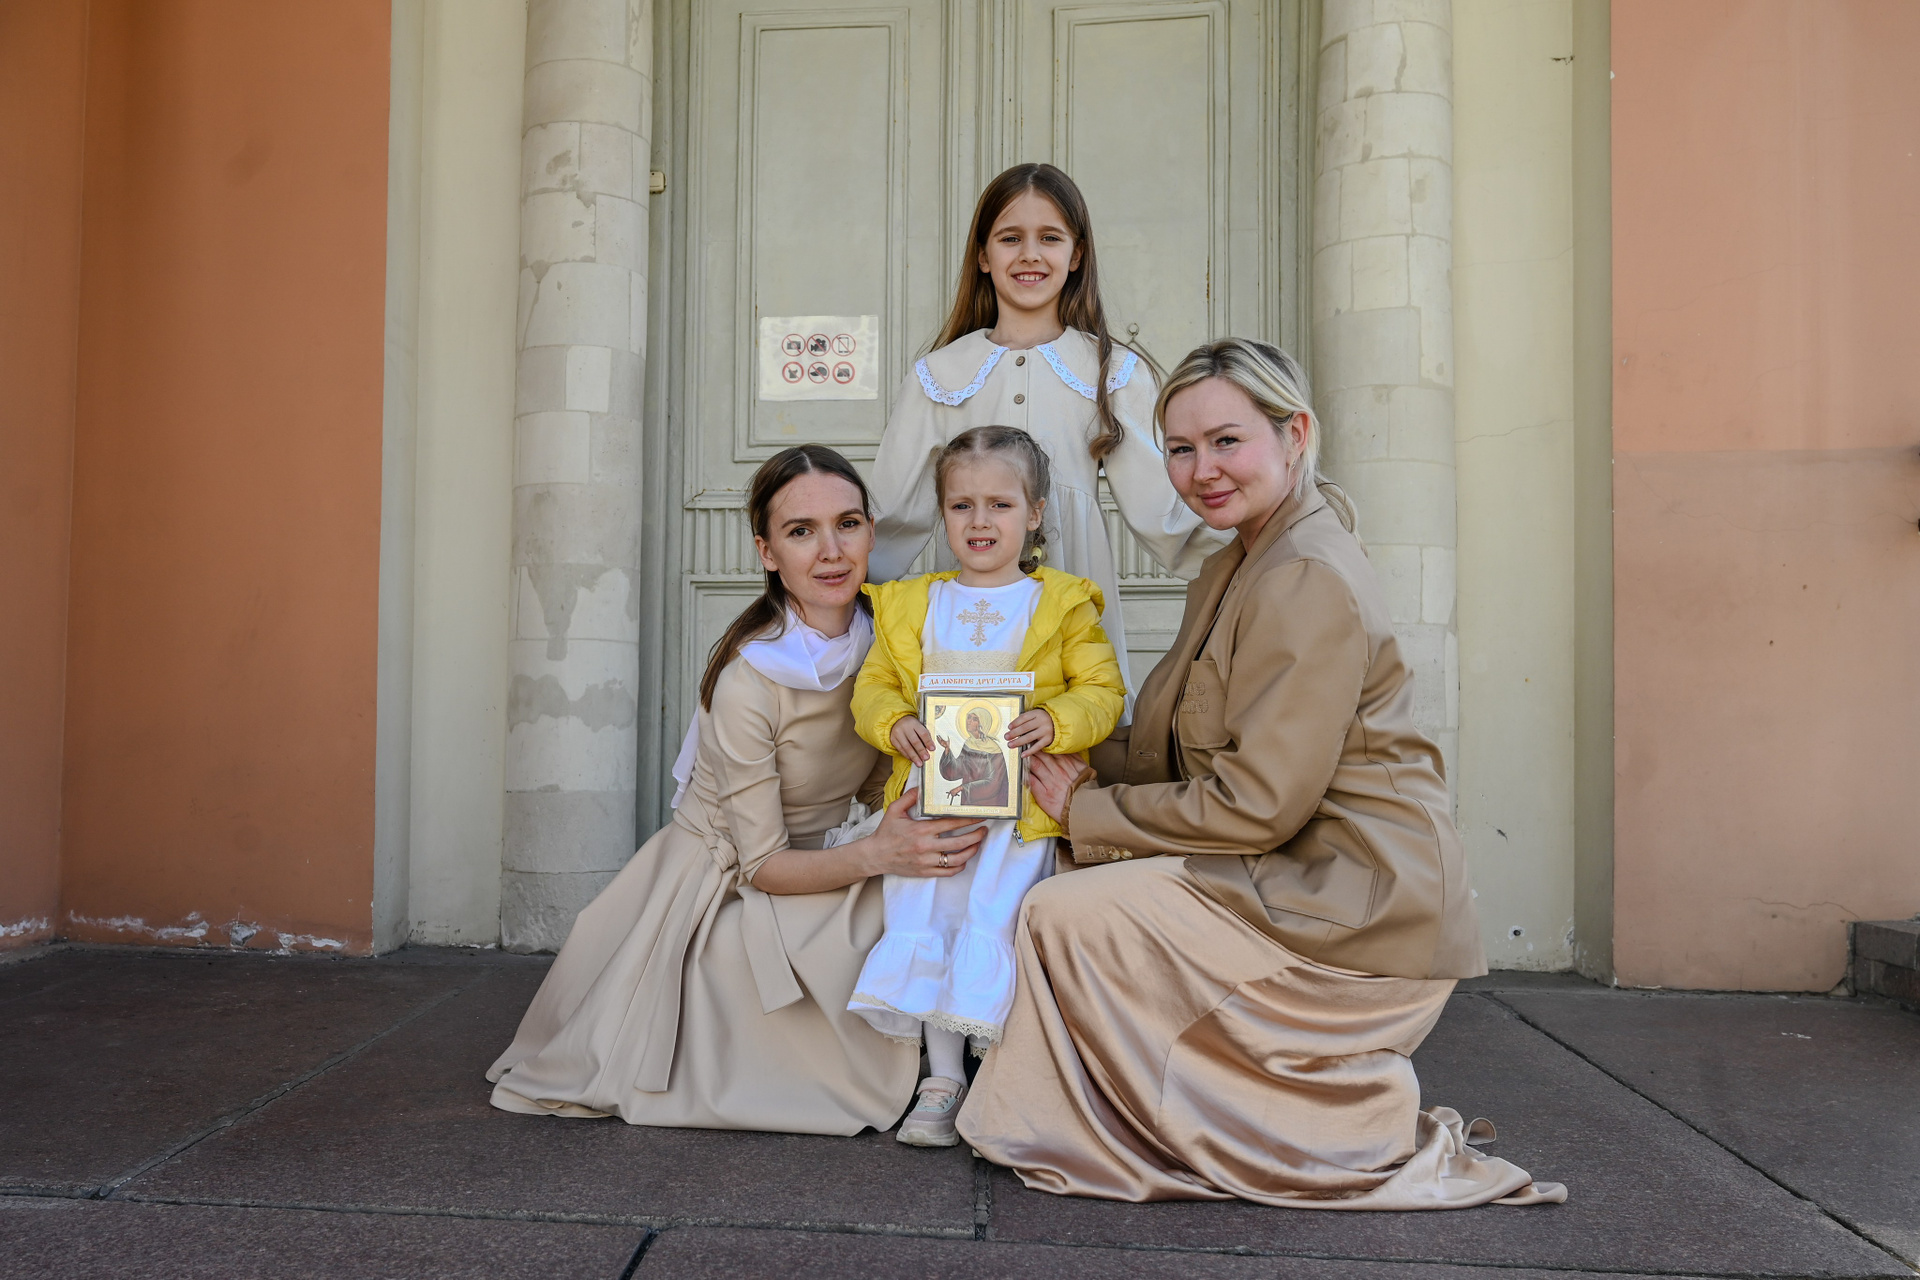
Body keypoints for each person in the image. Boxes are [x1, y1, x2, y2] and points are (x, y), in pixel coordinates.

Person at [957, 340, 1566, 1208]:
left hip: (1356, 902)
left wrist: (1084, 810)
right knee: (1049, 871)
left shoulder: (1304, 573)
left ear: (1295, 435)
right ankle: (1173, 1111)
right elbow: (1177, 745)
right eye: (1179, 448)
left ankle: (1325, 1120)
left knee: (1064, 910)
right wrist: (1056, 748)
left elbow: (1258, 805)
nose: (1201, 470)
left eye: (1226, 442)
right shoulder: (1240, 562)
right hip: (1296, 875)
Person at [487, 445, 988, 1134]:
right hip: (736, 874)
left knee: (965, 870)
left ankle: (967, 1054)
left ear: (872, 531)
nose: (832, 551)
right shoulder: (748, 681)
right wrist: (880, 854)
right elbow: (765, 864)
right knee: (897, 901)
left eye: (847, 524)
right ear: (767, 551)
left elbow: (885, 779)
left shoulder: (894, 635)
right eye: (801, 531)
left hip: (838, 846)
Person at [849, 426, 1126, 1147]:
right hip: (934, 810)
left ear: (1034, 513)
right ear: (942, 514)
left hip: (1018, 815)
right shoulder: (913, 603)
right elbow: (873, 686)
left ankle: (1004, 1075)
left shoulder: (1060, 602)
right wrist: (893, 723)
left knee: (997, 923)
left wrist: (1057, 721)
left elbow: (1102, 689)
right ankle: (941, 1079)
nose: (980, 521)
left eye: (1000, 504)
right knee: (934, 920)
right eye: (961, 505)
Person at [866, 163, 1226, 691]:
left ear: (1076, 254)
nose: (1030, 254)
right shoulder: (937, 377)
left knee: (1076, 720)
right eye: (1010, 238)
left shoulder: (1112, 373)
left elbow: (1165, 515)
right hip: (968, 609)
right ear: (983, 255)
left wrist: (1261, 552)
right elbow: (893, 520)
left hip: (1074, 599)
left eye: (1050, 238)